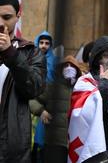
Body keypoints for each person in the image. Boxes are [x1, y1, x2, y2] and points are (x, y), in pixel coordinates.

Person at [0, 0, 46, 162]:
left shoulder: (30, 52)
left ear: (18, 15)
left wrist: (10, 53)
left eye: (6, 17)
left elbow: (34, 88)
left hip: (11, 143)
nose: (0, 23)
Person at [29, 55, 84, 163]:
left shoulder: (81, 89)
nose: (69, 68)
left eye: (72, 66)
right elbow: (32, 100)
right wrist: (41, 111)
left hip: (75, 142)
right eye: (66, 66)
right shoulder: (52, 88)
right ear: (60, 70)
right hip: (54, 142)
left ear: (77, 71)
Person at [31, 30, 57, 162]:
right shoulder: (31, 58)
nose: (43, 45)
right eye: (41, 42)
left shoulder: (55, 60)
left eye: (47, 43)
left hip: (50, 104)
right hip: (33, 102)